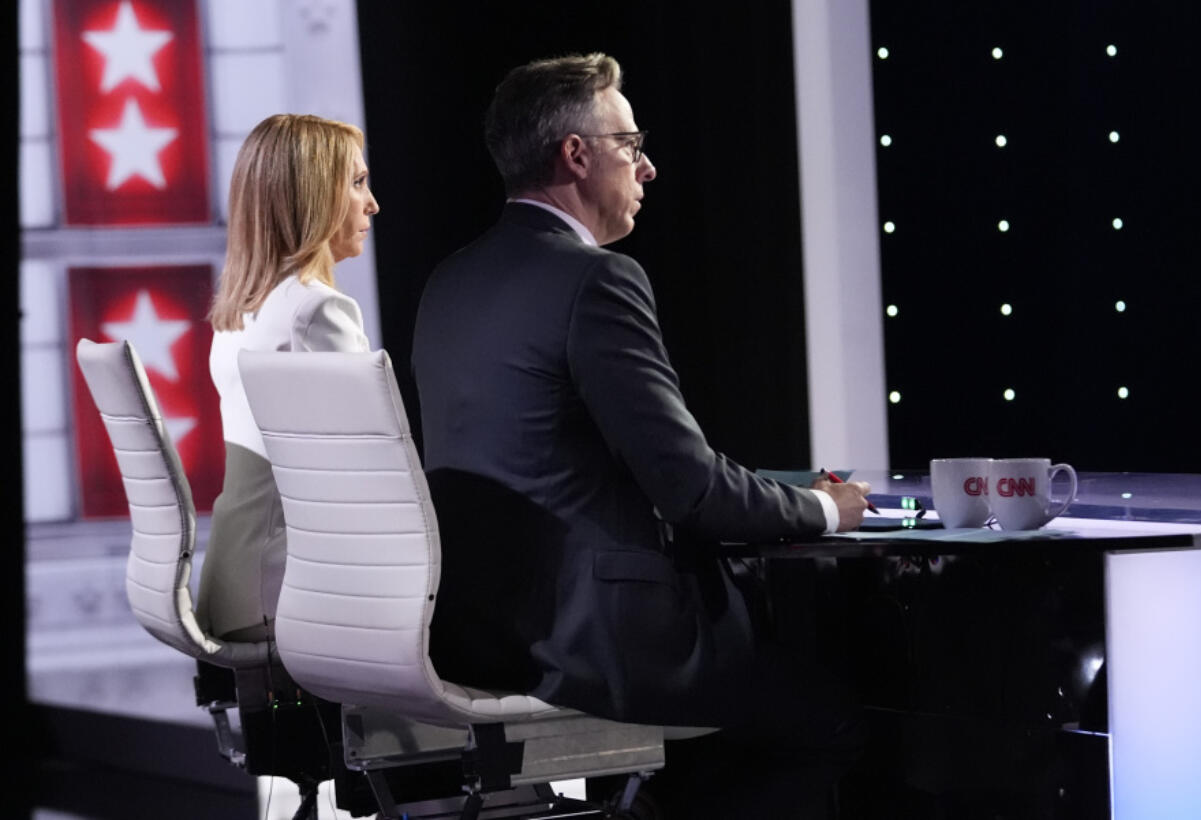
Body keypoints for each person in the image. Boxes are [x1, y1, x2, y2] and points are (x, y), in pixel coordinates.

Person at [412, 54, 871, 817]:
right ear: (576, 155)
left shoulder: (449, 281)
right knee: (835, 719)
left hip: (479, 634)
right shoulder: (597, 280)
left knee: (727, 747)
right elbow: (693, 493)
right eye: (630, 145)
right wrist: (831, 511)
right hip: (599, 645)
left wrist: (773, 489)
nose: (648, 167)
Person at [199, 113, 379, 643]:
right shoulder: (317, 311)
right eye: (357, 183)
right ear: (313, 196)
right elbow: (374, 476)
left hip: (231, 586)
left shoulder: (238, 315)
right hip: (289, 594)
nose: (372, 204)